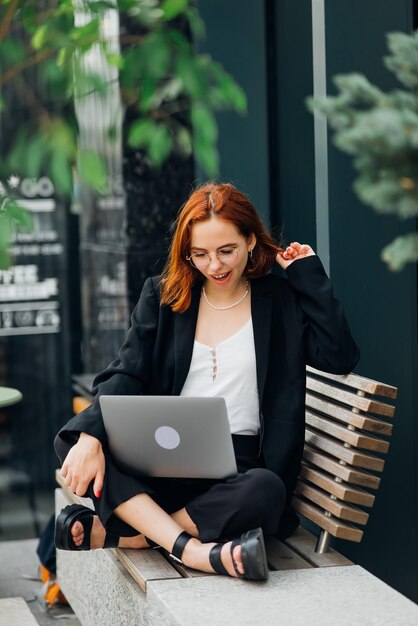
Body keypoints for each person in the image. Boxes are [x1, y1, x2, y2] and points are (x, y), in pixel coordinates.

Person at [54, 181, 360, 582]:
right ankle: (193, 550)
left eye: (226, 251)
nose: (214, 266)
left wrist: (308, 276)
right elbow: (125, 372)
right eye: (199, 254)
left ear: (250, 240)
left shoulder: (280, 300)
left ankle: (134, 535)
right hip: (161, 461)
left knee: (267, 491)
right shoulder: (166, 297)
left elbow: (339, 357)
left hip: (240, 472)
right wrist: (91, 440)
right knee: (73, 440)